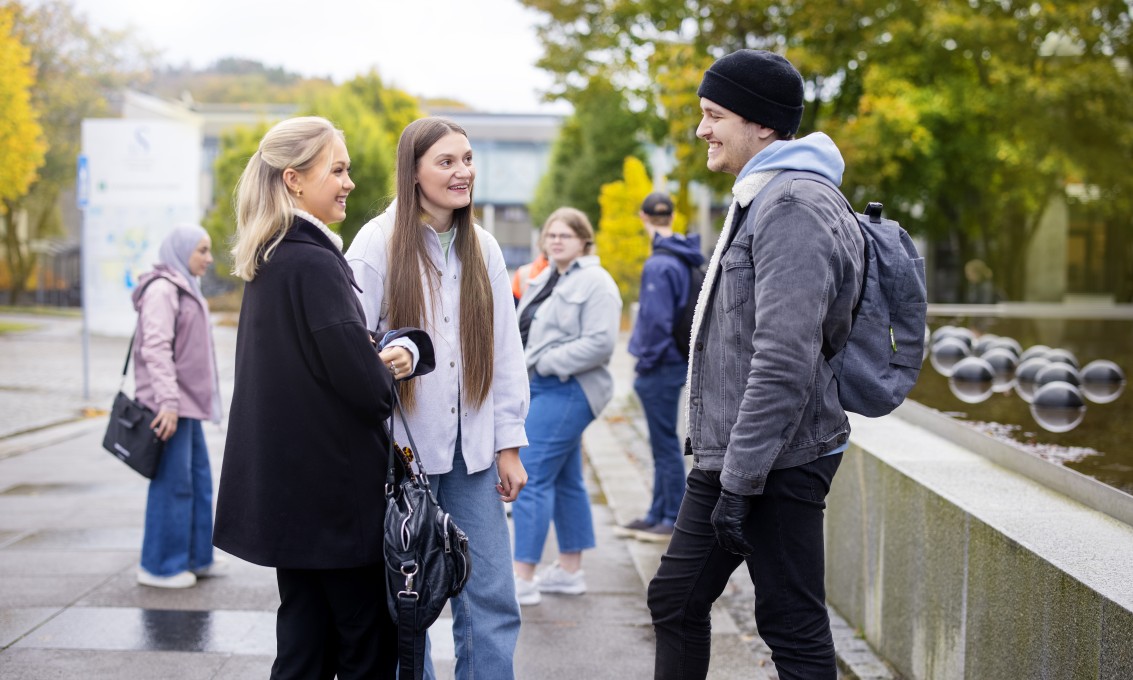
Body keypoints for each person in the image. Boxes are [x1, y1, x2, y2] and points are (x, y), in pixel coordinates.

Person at [646, 50, 865, 680]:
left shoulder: (792, 204)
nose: (702, 129)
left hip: (773, 456)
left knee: (790, 624)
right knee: (679, 598)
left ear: (762, 125)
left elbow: (782, 361)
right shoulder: (767, 194)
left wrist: (738, 483)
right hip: (744, 452)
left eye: (714, 115)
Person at [213, 116, 432, 679]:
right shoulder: (314, 263)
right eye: (337, 169)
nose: (349, 182)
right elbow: (365, 390)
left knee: (303, 646)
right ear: (293, 179)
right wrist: (391, 362)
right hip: (336, 503)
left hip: (292, 500)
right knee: (365, 647)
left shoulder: (272, 257)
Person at [344, 116, 530, 680]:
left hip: (473, 458)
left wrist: (510, 444)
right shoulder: (376, 242)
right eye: (446, 162)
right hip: (402, 463)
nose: (462, 172)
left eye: (467, 159)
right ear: (414, 171)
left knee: (492, 602)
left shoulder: (485, 248)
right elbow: (351, 345)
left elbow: (505, 352)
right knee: (409, 607)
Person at [511, 207, 622, 606]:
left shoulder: (596, 282)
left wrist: (546, 362)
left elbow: (600, 343)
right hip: (542, 387)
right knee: (565, 478)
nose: (556, 240)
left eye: (566, 235)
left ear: (583, 240)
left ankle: (522, 576)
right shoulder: (543, 278)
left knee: (532, 472)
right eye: (551, 234)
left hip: (568, 388)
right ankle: (570, 571)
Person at [132, 223, 221, 589]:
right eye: (202, 250)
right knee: (172, 484)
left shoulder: (184, 286)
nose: (208, 258)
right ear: (181, 250)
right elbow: (154, 347)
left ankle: (196, 557)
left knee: (197, 480)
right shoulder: (163, 290)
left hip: (185, 405)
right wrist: (167, 402)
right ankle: (160, 566)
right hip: (168, 405)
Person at [617, 192, 704, 542]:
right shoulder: (686, 256)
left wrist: (645, 365)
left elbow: (655, 323)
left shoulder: (659, 264)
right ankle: (657, 512)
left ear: (643, 217)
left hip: (661, 367)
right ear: (671, 217)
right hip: (680, 361)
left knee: (665, 445)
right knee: (662, 441)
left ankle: (671, 517)